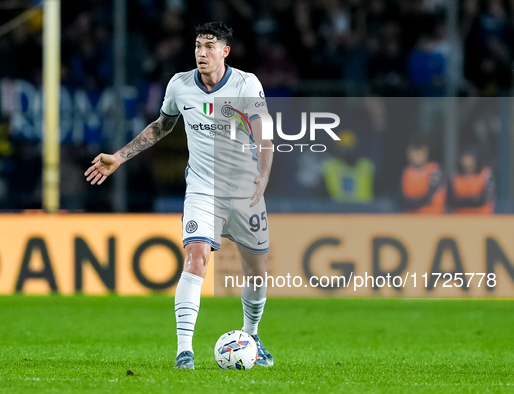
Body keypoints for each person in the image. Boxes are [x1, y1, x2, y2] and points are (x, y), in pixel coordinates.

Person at [84, 22, 274, 369]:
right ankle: (184, 350)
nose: (202, 53)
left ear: (225, 52)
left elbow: (264, 134)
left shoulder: (247, 84)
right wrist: (119, 156)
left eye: (210, 46)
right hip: (202, 186)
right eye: (199, 46)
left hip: (245, 189)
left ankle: (252, 334)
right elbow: (161, 125)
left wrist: (264, 173)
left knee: (257, 272)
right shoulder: (180, 85)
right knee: (197, 257)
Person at [320, 129, 375, 203]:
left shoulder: (366, 165)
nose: (346, 151)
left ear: (355, 147)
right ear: (337, 149)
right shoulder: (330, 166)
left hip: (365, 210)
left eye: (349, 148)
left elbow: (378, 191)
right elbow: (321, 195)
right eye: (344, 148)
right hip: (337, 210)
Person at [401, 136, 446, 213]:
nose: (416, 157)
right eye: (414, 154)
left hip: (433, 216)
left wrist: (414, 203)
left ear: (426, 153)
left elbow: (428, 197)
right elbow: (403, 199)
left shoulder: (435, 170)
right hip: (412, 217)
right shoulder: (407, 172)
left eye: (419, 154)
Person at [448, 148, 495, 214]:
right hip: (459, 219)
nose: (467, 161)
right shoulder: (454, 177)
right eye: (465, 158)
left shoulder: (485, 175)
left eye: (470, 158)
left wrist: (463, 200)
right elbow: (452, 201)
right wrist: (473, 199)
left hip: (482, 218)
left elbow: (483, 200)